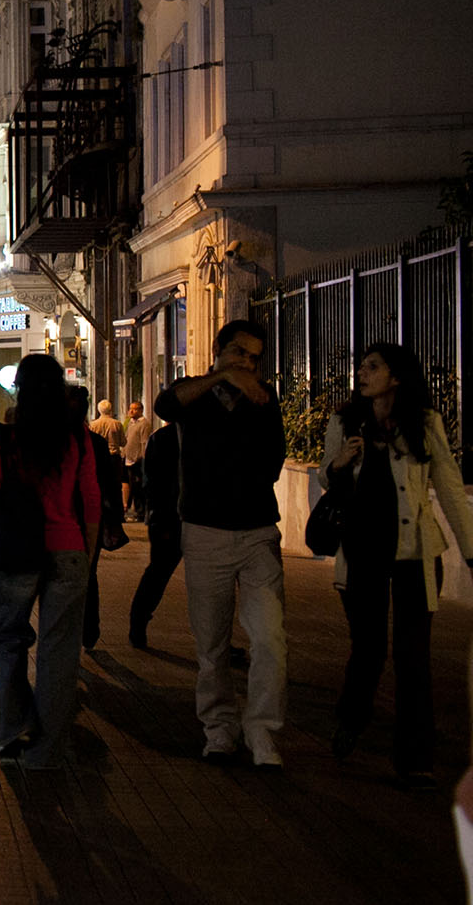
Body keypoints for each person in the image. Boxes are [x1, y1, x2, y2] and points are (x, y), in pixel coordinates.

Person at [320, 342, 473, 788]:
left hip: (414, 553)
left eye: (373, 367)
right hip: (362, 552)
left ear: (397, 377)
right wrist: (339, 463)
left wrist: (470, 549)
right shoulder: (345, 421)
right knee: (368, 650)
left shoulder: (425, 424)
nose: (362, 373)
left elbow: (448, 487)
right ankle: (351, 717)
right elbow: (326, 477)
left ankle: (415, 757)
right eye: (361, 367)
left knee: (414, 658)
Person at [154, 318, 287, 769]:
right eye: (239, 354)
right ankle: (219, 728)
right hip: (205, 530)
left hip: (256, 532)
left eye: (253, 357)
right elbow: (165, 405)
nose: (247, 363)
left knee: (269, 637)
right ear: (220, 351)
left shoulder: (263, 400)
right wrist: (220, 377)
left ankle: (263, 731)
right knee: (211, 642)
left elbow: (273, 462)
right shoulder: (195, 392)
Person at [0, 353, 100, 768]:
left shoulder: (7, 437)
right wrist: (87, 551)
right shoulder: (77, 437)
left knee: (8, 640)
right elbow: (91, 501)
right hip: (68, 550)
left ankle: (15, 722)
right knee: (59, 653)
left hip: (17, 550)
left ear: (21, 388)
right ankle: (45, 752)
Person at [68, 385, 125, 651]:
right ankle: (89, 629)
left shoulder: (57, 441)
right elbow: (110, 484)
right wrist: (114, 514)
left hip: (67, 519)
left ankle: (75, 628)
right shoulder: (96, 444)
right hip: (91, 518)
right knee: (89, 573)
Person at [126, 420, 183, 648]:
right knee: (158, 573)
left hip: (182, 517)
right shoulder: (164, 438)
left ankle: (138, 622)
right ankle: (138, 622)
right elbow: (154, 481)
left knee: (158, 573)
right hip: (170, 517)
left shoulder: (164, 437)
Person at [122, 399, 156, 521]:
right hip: (129, 459)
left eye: (134, 409)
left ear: (141, 410)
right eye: (130, 408)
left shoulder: (144, 424)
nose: (131, 411)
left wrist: (141, 458)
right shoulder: (130, 423)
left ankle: (141, 512)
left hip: (138, 460)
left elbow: (144, 442)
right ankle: (135, 510)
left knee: (138, 487)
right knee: (132, 486)